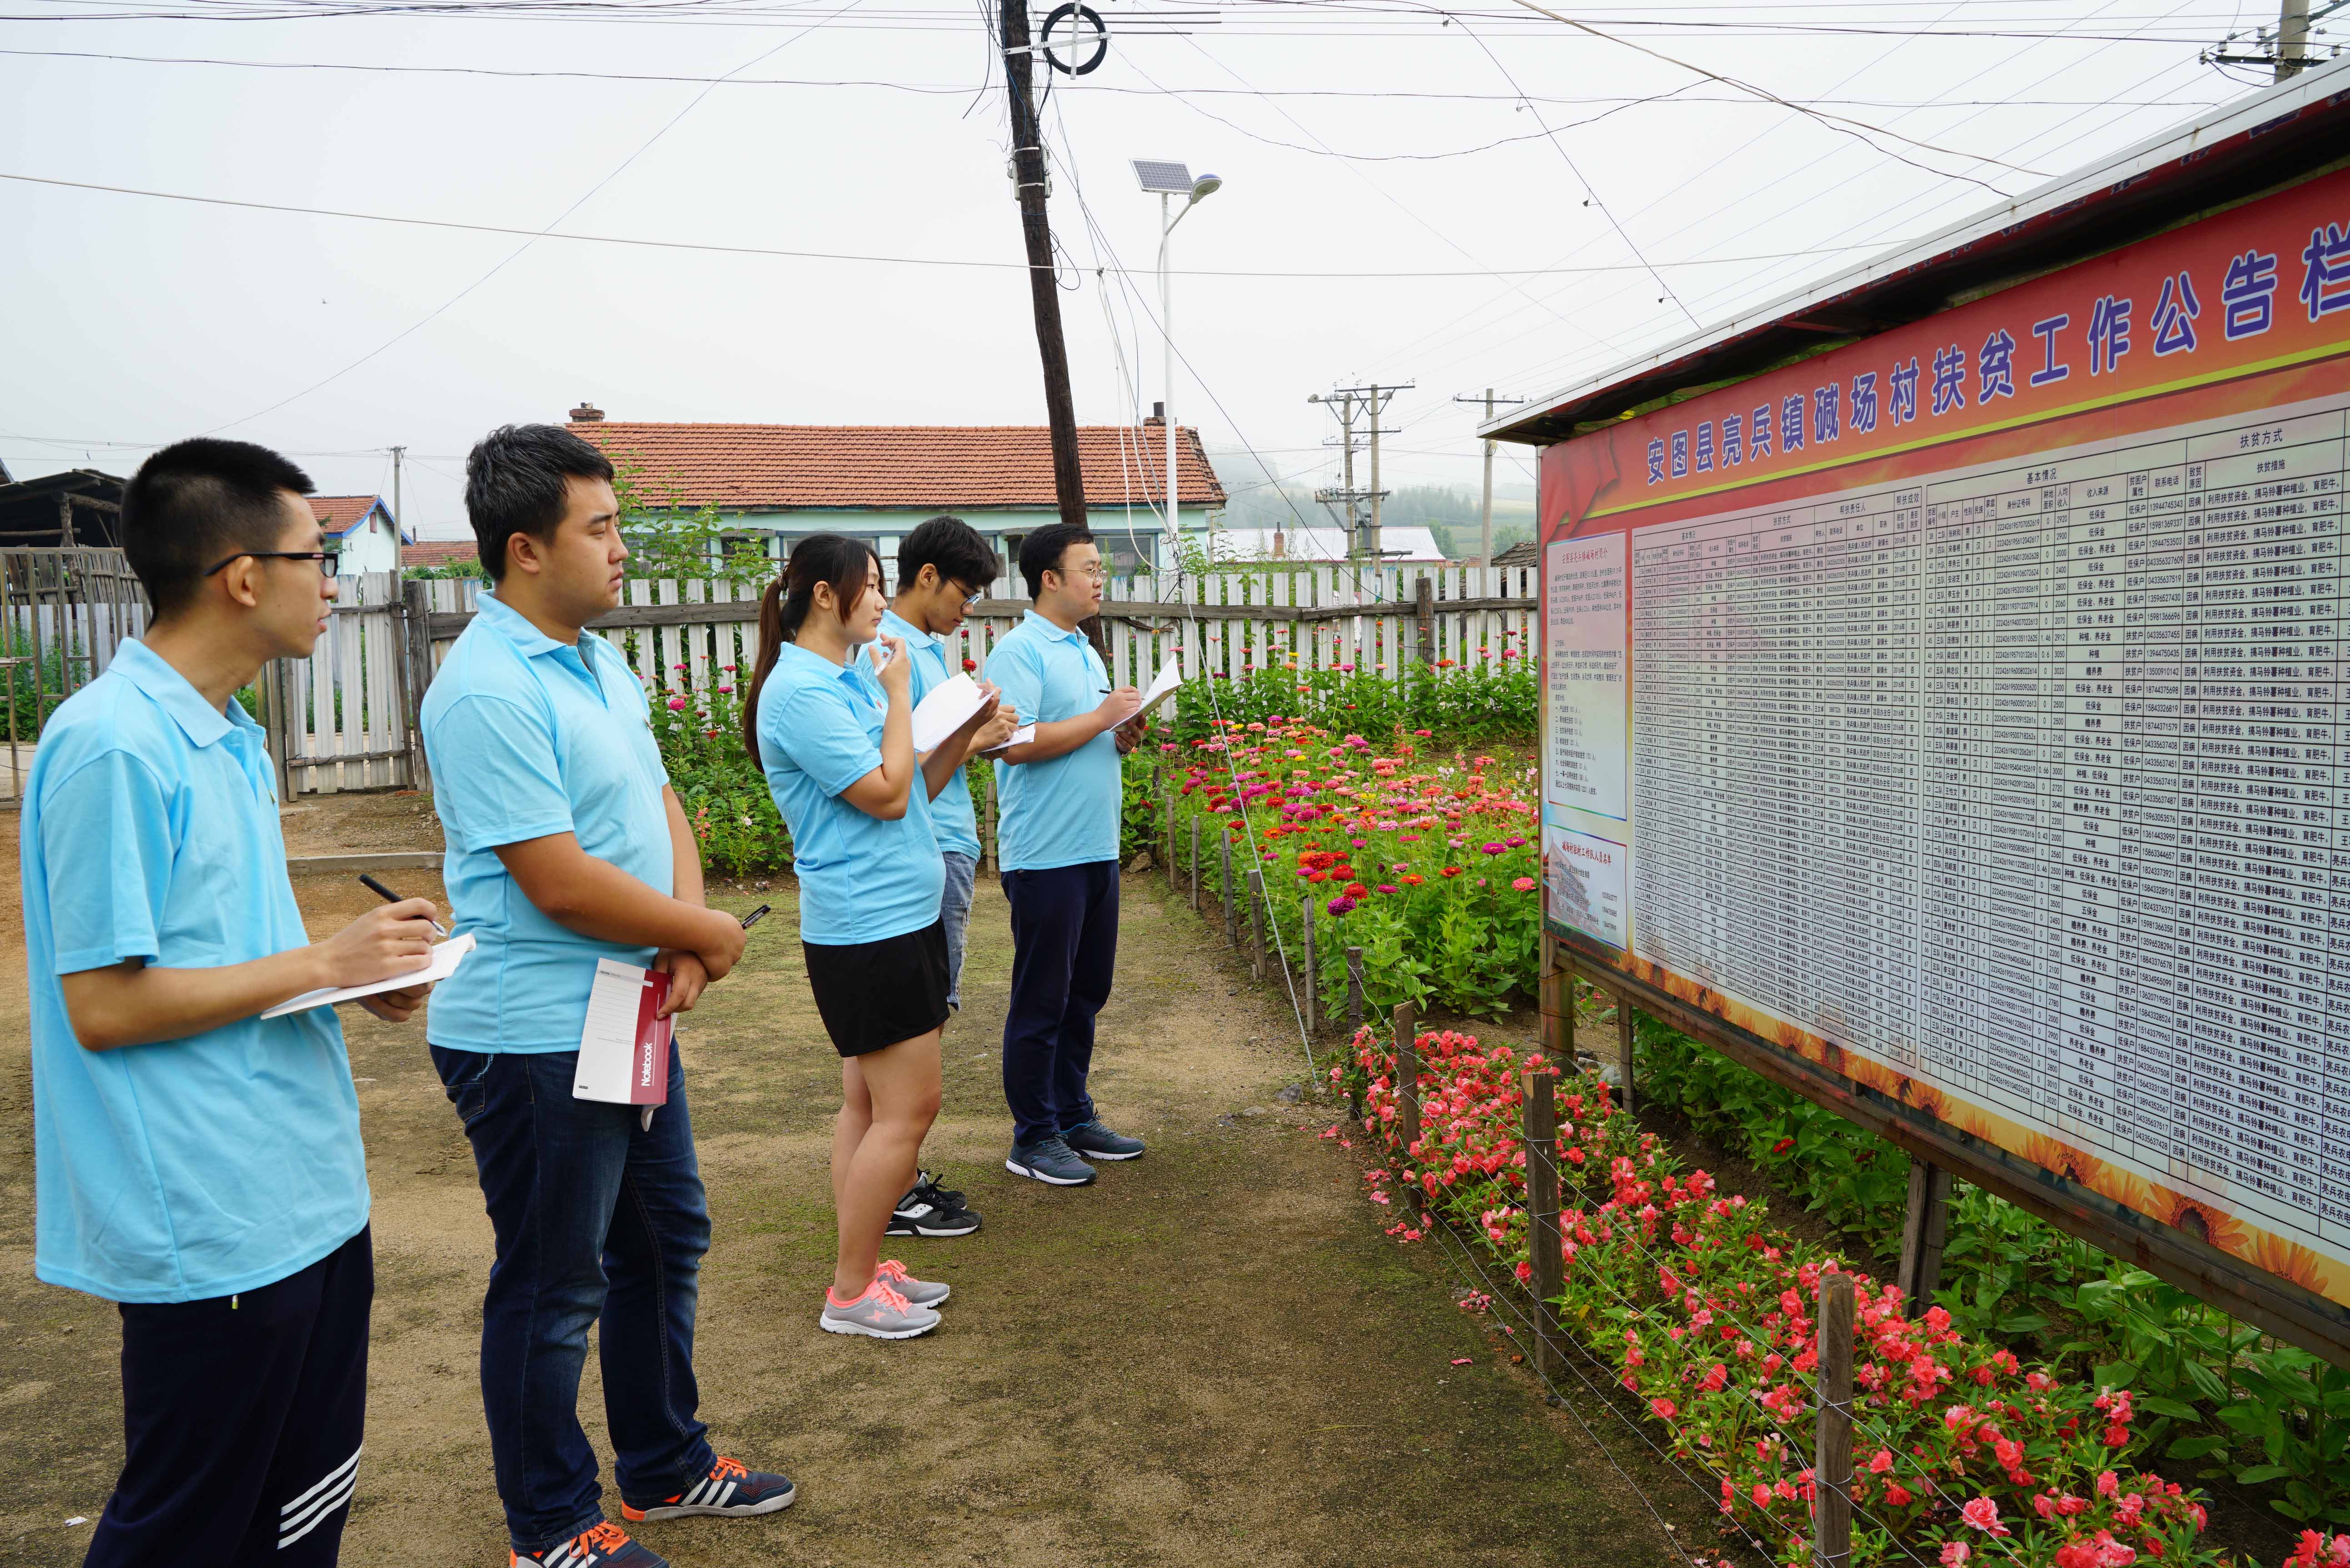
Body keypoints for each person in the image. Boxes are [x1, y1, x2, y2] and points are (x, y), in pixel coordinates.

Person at [21, 437, 441, 1567]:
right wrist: (321, 966)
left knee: (301, 1509)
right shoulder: (114, 745)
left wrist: (355, 976)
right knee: (190, 1526)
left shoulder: (228, 732)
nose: (335, 582)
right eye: (318, 556)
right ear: (244, 576)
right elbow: (104, 1005)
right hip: (210, 1218)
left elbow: (217, 955)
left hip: (301, 1188)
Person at [420, 425, 789, 1568]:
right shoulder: (484, 687)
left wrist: (687, 935)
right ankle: (550, 1524)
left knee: (664, 1235)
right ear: (525, 548)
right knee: (554, 1281)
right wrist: (701, 931)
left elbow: (659, 798)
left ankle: (665, 1461)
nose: (622, 546)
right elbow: (557, 879)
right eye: (602, 527)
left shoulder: (594, 660)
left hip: (626, 1007)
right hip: (533, 1028)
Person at [745, 533, 1001, 1338]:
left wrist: (962, 728)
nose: (885, 601)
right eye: (874, 585)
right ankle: (851, 1292)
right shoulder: (802, 693)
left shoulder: (844, 677)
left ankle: (864, 1267)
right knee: (909, 1110)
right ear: (826, 595)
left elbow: (915, 785)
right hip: (869, 927)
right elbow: (887, 796)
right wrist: (899, 696)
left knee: (865, 1104)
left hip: (899, 915)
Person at [985, 523, 1150, 1186]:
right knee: (1042, 1001)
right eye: (1089, 568)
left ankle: (1073, 1116)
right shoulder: (1019, 651)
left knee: (1087, 992)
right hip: (1045, 854)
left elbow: (1081, 735)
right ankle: (1032, 1137)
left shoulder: (1084, 647)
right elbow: (1013, 745)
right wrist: (1103, 717)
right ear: (1049, 579)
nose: (1100, 578)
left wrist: (1120, 735)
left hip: (1095, 847)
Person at [877, 515, 1021, 1239]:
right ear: (926, 577)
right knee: (918, 1019)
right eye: (964, 594)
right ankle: (897, 1186)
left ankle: (900, 1178)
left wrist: (982, 727)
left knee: (925, 1013)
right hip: (926, 848)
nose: (969, 609)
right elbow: (898, 765)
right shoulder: (891, 653)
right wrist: (977, 736)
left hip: (945, 845)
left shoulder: (926, 652)